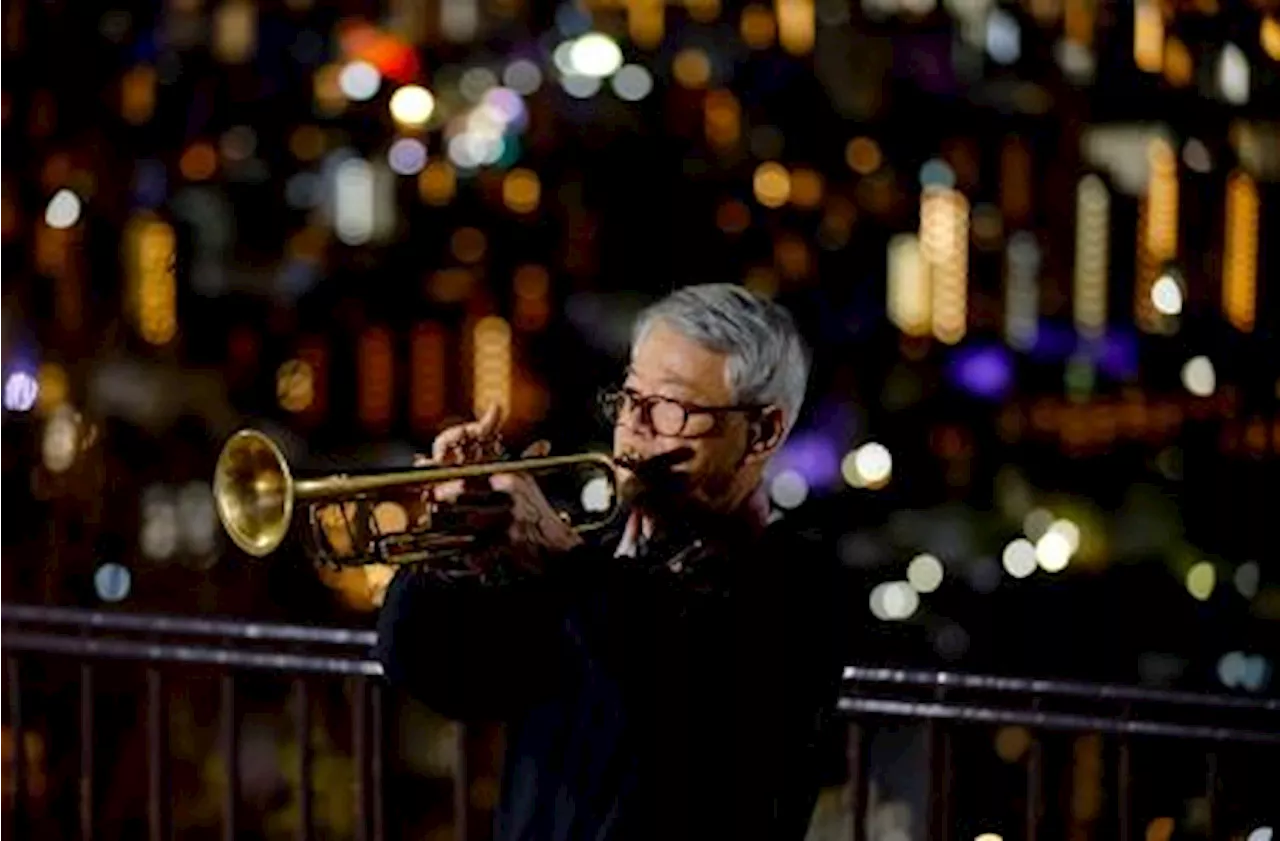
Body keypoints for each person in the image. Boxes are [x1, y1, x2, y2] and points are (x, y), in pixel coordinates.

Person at [376, 284, 844, 840]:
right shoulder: (587, 562)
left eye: (672, 407)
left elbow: (678, 685)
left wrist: (558, 557)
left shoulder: (799, 580)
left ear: (762, 432)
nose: (634, 427)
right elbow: (434, 670)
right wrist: (448, 542)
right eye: (629, 398)